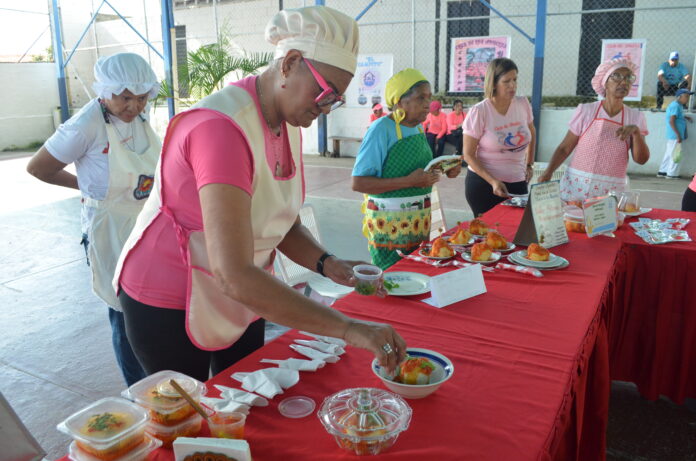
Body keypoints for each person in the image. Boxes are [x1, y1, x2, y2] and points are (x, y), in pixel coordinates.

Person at [112, 6, 406, 382]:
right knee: (193, 421)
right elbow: (233, 274)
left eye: (336, 99)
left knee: (246, 394)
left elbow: (280, 221)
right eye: (326, 93)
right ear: (290, 63)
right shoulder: (221, 130)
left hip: (241, 287)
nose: (326, 108)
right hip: (171, 293)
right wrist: (349, 328)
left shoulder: (287, 122)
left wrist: (328, 264)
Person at [26, 53, 160, 386]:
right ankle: (138, 390)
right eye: (125, 96)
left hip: (146, 222)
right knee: (123, 312)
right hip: (109, 230)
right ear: (104, 90)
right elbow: (38, 167)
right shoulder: (84, 125)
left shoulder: (140, 119)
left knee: (149, 307)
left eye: (141, 97)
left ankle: (160, 379)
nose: (134, 106)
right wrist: (85, 187)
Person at [352, 69, 461, 270]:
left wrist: (444, 169)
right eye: (421, 97)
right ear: (400, 102)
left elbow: (420, 171)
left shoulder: (418, 127)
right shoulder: (381, 129)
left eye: (429, 97)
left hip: (419, 221)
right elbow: (359, 182)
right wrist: (409, 182)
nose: (428, 103)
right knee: (392, 277)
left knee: (416, 272)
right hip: (390, 225)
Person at [539, 58, 650, 202]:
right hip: (577, 186)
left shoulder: (635, 117)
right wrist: (548, 173)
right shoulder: (586, 111)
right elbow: (565, 148)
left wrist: (636, 133)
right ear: (605, 82)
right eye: (616, 76)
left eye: (628, 77)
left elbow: (641, 160)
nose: (623, 82)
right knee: (573, 223)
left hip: (611, 191)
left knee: (606, 223)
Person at [462, 58, 536, 217]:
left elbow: (532, 132)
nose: (513, 85)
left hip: (518, 179)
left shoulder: (523, 103)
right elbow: (468, 154)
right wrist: (493, 181)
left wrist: (529, 164)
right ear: (493, 83)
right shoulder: (479, 111)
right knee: (488, 236)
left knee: (516, 231)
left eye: (515, 80)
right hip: (484, 184)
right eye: (506, 81)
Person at [658, 89, 693, 179]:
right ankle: (672, 174)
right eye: (686, 96)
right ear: (679, 97)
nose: (687, 99)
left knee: (669, 153)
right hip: (675, 135)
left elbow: (676, 116)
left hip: (674, 135)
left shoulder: (678, 106)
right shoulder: (675, 106)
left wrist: (685, 117)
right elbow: (671, 120)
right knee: (675, 154)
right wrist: (678, 135)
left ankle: (663, 171)